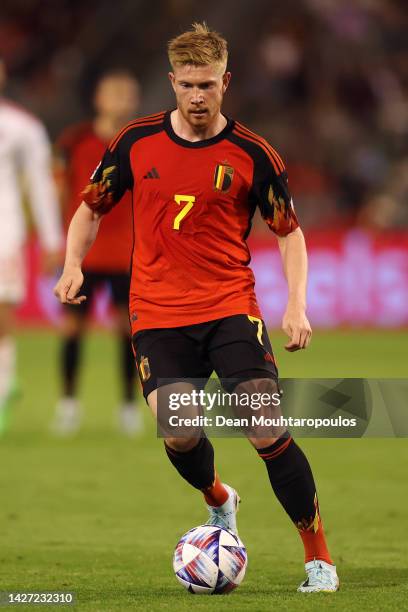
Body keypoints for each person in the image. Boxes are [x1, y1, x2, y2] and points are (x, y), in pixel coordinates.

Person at [54, 23, 339, 592]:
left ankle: (319, 559)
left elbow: (290, 234)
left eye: (207, 84)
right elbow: (90, 209)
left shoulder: (254, 154)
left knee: (263, 425)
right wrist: (71, 265)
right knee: (180, 433)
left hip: (230, 306)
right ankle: (219, 499)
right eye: (187, 85)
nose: (197, 96)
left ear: (225, 82)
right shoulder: (137, 142)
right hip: (158, 313)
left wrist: (297, 305)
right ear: (172, 83)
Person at [51, 69, 143, 436]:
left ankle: (128, 407)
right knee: (73, 329)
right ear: (98, 99)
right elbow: (57, 193)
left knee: (128, 332)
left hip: (127, 253)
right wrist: (58, 241)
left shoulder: (143, 143)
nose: (121, 99)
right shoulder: (74, 142)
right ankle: (69, 404)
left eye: (127, 93)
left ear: (135, 100)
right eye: (114, 92)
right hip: (83, 256)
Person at [0, 57, 62, 435]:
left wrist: (52, 239)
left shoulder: (22, 127)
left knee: (1, 318)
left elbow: (40, 184)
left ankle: (3, 389)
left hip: (4, 233)